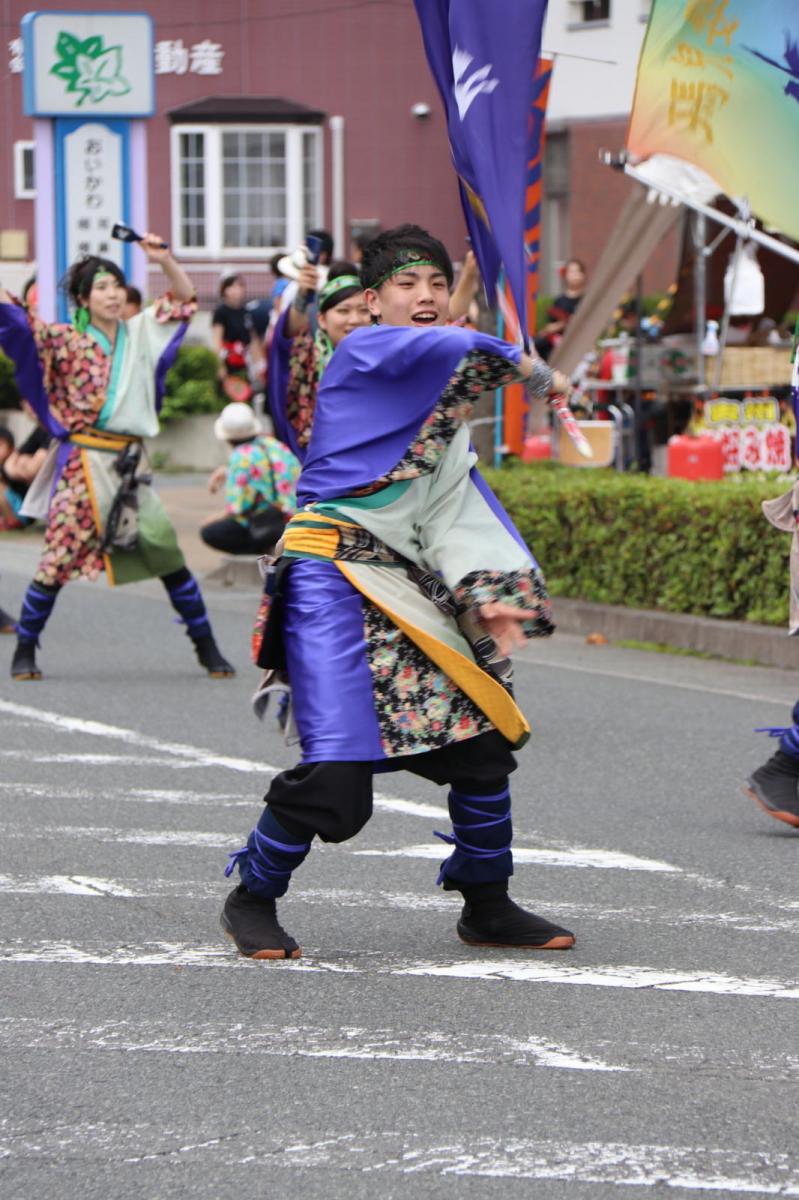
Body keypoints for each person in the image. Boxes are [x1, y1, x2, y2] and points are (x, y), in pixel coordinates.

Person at [220, 223, 576, 960]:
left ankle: (487, 905)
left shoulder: (441, 411)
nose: (426, 295)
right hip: (328, 573)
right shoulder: (363, 353)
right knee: (338, 770)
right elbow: (449, 348)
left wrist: (484, 589)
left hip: (400, 585)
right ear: (373, 301)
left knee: (480, 742)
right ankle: (251, 896)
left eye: (437, 283)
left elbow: (449, 507)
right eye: (407, 284)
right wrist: (528, 366)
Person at [0, 236, 235, 682]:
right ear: (83, 299)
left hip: (130, 467)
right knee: (56, 559)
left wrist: (164, 259)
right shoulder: (65, 340)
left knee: (166, 552)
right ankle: (25, 648)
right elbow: (18, 324)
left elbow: (184, 299)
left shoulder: (141, 331)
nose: (112, 294)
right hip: (82, 464)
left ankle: (207, 647)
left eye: (116, 286)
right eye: (101, 287)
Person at [267, 260, 371, 461]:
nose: (355, 319)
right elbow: (285, 342)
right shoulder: (308, 360)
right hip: (321, 464)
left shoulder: (386, 358)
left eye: (364, 310)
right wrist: (302, 296)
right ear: (322, 319)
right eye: (343, 310)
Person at [201, 403, 300, 556]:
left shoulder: (240, 458)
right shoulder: (273, 444)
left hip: (270, 523)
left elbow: (238, 507)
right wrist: (226, 470)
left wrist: (213, 518)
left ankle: (262, 548)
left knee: (210, 533)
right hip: (292, 516)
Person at [211, 273, 263, 400]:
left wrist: (260, 364)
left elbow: (253, 339)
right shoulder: (221, 312)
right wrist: (219, 365)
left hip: (245, 361)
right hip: (228, 360)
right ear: (224, 290)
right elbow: (217, 339)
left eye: (240, 286)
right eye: (232, 287)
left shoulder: (246, 312)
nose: (236, 290)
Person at [535, 257, 586, 361]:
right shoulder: (559, 301)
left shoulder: (586, 300)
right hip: (560, 345)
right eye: (572, 272)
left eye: (578, 271)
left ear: (583, 275)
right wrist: (564, 323)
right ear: (566, 275)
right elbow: (548, 328)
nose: (575, 275)